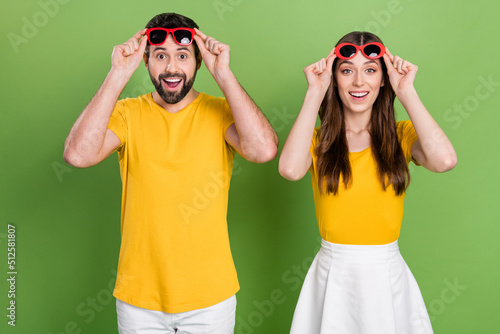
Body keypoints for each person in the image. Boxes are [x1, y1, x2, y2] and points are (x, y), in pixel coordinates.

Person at [63, 12, 278, 333]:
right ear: (146, 62)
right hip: (139, 299)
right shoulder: (127, 113)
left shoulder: (220, 112)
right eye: (160, 56)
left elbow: (264, 150)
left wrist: (225, 74)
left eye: (182, 56)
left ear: (198, 61)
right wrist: (118, 73)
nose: (172, 67)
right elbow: (78, 155)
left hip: (211, 298)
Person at [279, 31, 457, 333]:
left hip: (386, 273)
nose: (359, 82)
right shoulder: (318, 141)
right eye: (347, 70)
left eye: (370, 70)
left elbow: (444, 160)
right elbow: (291, 170)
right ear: (335, 79)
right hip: (333, 272)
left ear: (383, 78)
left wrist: (407, 91)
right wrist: (315, 92)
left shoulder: (401, 135)